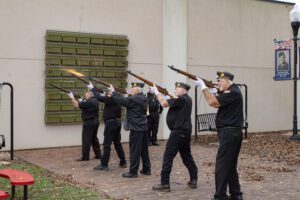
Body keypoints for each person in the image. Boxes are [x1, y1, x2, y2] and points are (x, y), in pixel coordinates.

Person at [195, 71, 244, 200]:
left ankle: (220, 196)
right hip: (231, 132)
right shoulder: (232, 91)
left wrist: (204, 87)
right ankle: (236, 194)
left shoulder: (232, 92)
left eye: (220, 81)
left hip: (229, 132)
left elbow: (213, 103)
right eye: (217, 81)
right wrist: (213, 91)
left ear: (228, 81)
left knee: (222, 165)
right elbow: (217, 102)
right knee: (230, 165)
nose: (218, 83)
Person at [151, 82, 198, 192]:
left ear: (184, 90)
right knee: (187, 156)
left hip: (178, 132)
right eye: (176, 87)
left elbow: (163, 104)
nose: (176, 89)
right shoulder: (187, 99)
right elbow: (171, 101)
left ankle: (165, 184)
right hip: (185, 132)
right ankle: (193, 179)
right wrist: (168, 95)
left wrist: (157, 92)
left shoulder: (180, 99)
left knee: (168, 156)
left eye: (179, 88)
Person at [109, 82, 151, 178]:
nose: (131, 90)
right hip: (143, 126)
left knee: (134, 150)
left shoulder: (135, 98)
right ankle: (146, 169)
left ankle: (133, 172)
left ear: (137, 90)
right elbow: (127, 100)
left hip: (136, 127)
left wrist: (113, 92)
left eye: (133, 89)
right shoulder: (143, 97)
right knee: (144, 150)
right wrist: (124, 94)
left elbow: (122, 101)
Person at [86, 83, 127, 171]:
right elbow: (104, 97)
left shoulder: (111, 98)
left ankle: (104, 165)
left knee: (107, 145)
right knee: (117, 143)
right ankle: (123, 161)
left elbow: (98, 97)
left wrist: (92, 88)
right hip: (117, 122)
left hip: (111, 124)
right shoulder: (118, 98)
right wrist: (103, 94)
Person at [68, 91, 102, 161]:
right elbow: (85, 104)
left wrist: (72, 98)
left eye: (86, 96)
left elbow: (76, 105)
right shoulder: (95, 100)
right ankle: (98, 155)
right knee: (94, 138)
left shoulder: (89, 102)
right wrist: (82, 101)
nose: (85, 97)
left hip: (89, 122)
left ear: (89, 95)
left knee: (86, 139)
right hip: (96, 121)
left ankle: (85, 157)